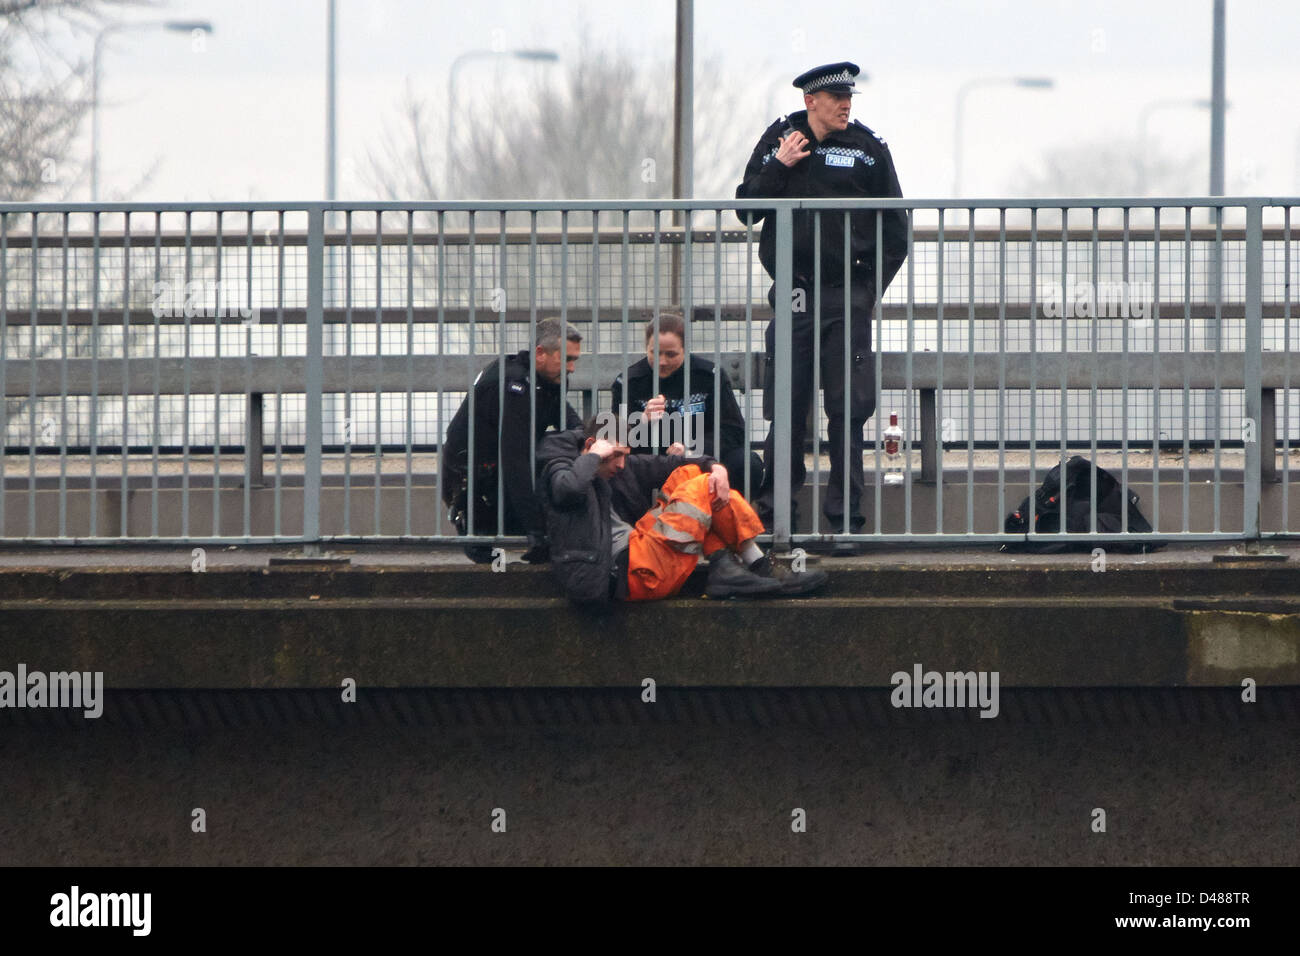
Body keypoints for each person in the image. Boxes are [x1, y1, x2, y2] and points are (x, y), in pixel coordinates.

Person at [735, 61, 908, 543]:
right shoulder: (781, 138)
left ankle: (845, 522)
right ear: (811, 101)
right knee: (786, 409)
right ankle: (776, 518)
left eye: (849, 97)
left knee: (848, 411)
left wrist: (867, 292)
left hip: (847, 295)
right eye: (836, 98)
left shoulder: (867, 149)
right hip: (794, 293)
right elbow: (746, 209)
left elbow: (896, 231)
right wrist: (780, 167)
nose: (845, 105)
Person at [537, 419, 828, 604]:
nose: (622, 465)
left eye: (625, 455)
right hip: (626, 573)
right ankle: (756, 565)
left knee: (692, 474)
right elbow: (568, 491)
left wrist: (715, 467)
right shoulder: (561, 471)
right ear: (592, 447)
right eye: (615, 456)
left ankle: (725, 566)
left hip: (640, 551)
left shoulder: (617, 469)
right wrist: (592, 458)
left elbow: (671, 464)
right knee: (701, 487)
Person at [440, 316, 582, 563]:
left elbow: (567, 419)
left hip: (502, 470)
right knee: (490, 558)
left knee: (565, 448)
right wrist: (537, 529)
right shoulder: (514, 386)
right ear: (540, 353)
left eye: (574, 360)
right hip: (474, 480)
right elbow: (515, 460)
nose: (571, 368)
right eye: (566, 359)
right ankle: (480, 528)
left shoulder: (549, 379)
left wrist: (590, 441)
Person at [609, 311, 764, 494]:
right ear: (646, 348)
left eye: (671, 354)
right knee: (615, 466)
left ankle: (729, 510)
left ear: (685, 349)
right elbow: (616, 438)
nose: (662, 361)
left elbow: (733, 430)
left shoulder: (709, 377)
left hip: (703, 458)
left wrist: (692, 449)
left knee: (746, 463)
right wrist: (642, 420)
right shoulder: (629, 381)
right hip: (652, 463)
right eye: (655, 353)